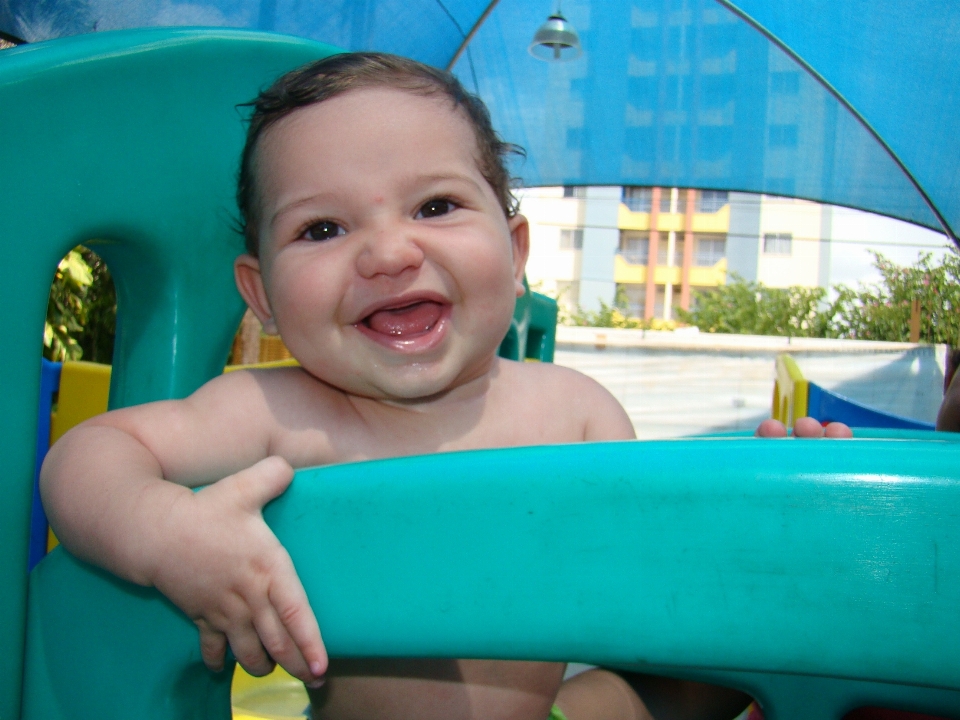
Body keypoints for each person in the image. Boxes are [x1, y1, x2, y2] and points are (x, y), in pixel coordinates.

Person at [39, 51, 648, 720]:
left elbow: (668, 580)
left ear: (515, 253)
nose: (389, 254)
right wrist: (168, 535)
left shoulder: (576, 413)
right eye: (322, 228)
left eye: (435, 205)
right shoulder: (281, 411)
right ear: (262, 293)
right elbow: (89, 454)